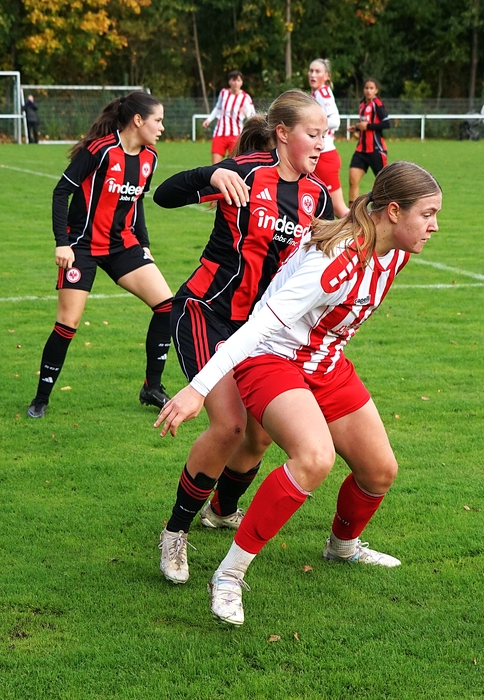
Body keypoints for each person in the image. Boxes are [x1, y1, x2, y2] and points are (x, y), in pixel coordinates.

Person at [155, 161, 442, 626]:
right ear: (393, 211)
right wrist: (197, 388)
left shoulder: (395, 252)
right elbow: (259, 327)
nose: (434, 226)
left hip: (326, 363)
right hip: (272, 358)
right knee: (314, 458)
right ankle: (229, 574)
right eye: (427, 214)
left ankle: (342, 548)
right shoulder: (334, 262)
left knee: (380, 471)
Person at [151, 90, 334, 585]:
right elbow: (163, 195)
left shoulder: (316, 196)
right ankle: (174, 532)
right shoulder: (246, 173)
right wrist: (210, 175)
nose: (322, 143)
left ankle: (220, 510)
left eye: (326, 134)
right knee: (230, 425)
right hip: (205, 312)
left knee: (261, 433)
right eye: (314, 134)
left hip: (258, 330)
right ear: (283, 134)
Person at [26, 92, 174, 419]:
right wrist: (62, 243)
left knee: (167, 306)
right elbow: (61, 191)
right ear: (138, 120)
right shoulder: (101, 150)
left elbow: (136, 202)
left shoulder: (150, 158)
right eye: (158, 120)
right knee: (68, 322)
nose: (162, 127)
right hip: (81, 246)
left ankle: (151, 387)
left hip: (122, 245)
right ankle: (40, 398)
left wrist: (144, 243)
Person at [308, 58, 350, 217]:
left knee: (339, 209)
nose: (313, 74)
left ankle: (362, 231)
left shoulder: (323, 93)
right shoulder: (315, 94)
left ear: (327, 76)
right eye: (311, 71)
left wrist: (310, 127)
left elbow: (335, 121)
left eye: (317, 71)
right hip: (317, 154)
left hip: (325, 155)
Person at [347, 78, 390, 205]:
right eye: (366, 88)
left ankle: (389, 208)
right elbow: (365, 124)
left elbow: (387, 124)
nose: (368, 91)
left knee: (384, 183)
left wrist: (368, 126)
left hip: (376, 149)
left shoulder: (377, 104)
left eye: (371, 88)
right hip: (361, 149)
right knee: (353, 180)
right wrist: (357, 128)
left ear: (376, 90)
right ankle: (353, 213)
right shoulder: (362, 105)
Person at [203, 71, 255, 164]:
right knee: (215, 166)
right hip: (220, 133)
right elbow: (218, 108)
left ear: (241, 82)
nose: (236, 83)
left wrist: (246, 113)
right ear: (229, 82)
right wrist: (209, 120)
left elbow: (253, 116)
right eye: (233, 80)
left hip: (236, 135)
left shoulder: (245, 97)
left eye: (238, 80)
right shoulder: (223, 93)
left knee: (234, 165)